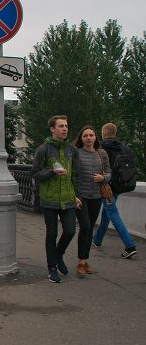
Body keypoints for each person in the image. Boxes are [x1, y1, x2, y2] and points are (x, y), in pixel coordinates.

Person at [31, 115, 81, 283]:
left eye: (66, 126)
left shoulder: (72, 150)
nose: (65, 129)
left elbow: (75, 175)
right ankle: (52, 267)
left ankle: (58, 255)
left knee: (70, 231)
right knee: (51, 233)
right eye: (61, 126)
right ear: (52, 129)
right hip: (49, 199)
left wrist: (77, 195)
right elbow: (35, 174)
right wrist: (52, 172)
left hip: (68, 198)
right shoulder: (43, 149)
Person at [93, 123, 138, 259]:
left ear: (104, 134)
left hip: (107, 186)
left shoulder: (102, 147)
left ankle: (130, 246)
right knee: (107, 212)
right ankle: (97, 240)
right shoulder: (124, 148)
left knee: (112, 211)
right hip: (121, 185)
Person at [74, 126, 111, 275]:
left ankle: (83, 260)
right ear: (81, 139)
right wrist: (75, 195)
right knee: (85, 227)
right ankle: (81, 261)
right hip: (81, 197)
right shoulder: (76, 153)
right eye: (85, 136)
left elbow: (109, 171)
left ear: (95, 137)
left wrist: (104, 178)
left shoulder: (101, 153)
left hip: (96, 196)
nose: (88, 138)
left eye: (91, 135)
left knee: (90, 229)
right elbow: (72, 175)